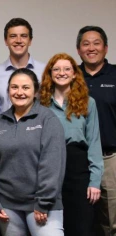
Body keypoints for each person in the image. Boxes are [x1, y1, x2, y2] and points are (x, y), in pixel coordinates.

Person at [0, 68, 66, 236]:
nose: (19, 92)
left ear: (35, 91)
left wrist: (43, 202)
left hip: (42, 205)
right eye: (14, 87)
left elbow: (53, 165)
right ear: (8, 91)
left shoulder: (48, 120)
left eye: (26, 88)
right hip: (7, 206)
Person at [40, 53, 103, 235]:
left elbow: (94, 142)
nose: (62, 73)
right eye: (57, 69)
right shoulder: (40, 103)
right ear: (50, 73)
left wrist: (94, 182)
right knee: (51, 227)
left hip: (77, 170)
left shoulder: (88, 103)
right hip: (48, 168)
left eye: (67, 69)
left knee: (80, 226)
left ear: (75, 73)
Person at [77, 25, 116, 235]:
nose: (91, 48)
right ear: (78, 50)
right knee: (80, 217)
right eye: (86, 43)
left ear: (106, 48)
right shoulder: (70, 77)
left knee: (111, 221)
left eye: (96, 43)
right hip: (78, 160)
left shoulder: (114, 75)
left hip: (110, 159)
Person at [0, 18, 45, 118]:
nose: (18, 40)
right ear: (6, 41)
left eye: (23, 36)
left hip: (38, 131)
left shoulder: (45, 71)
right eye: (13, 36)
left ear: (30, 40)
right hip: (4, 131)